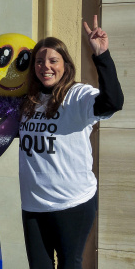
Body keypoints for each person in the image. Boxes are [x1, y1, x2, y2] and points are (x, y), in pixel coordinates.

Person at [18, 15, 124, 268]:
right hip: (33, 204)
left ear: (65, 64)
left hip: (72, 202)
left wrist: (102, 56)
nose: (46, 67)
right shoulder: (28, 101)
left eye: (53, 61)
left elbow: (113, 103)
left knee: (69, 264)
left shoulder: (77, 95)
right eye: (40, 62)